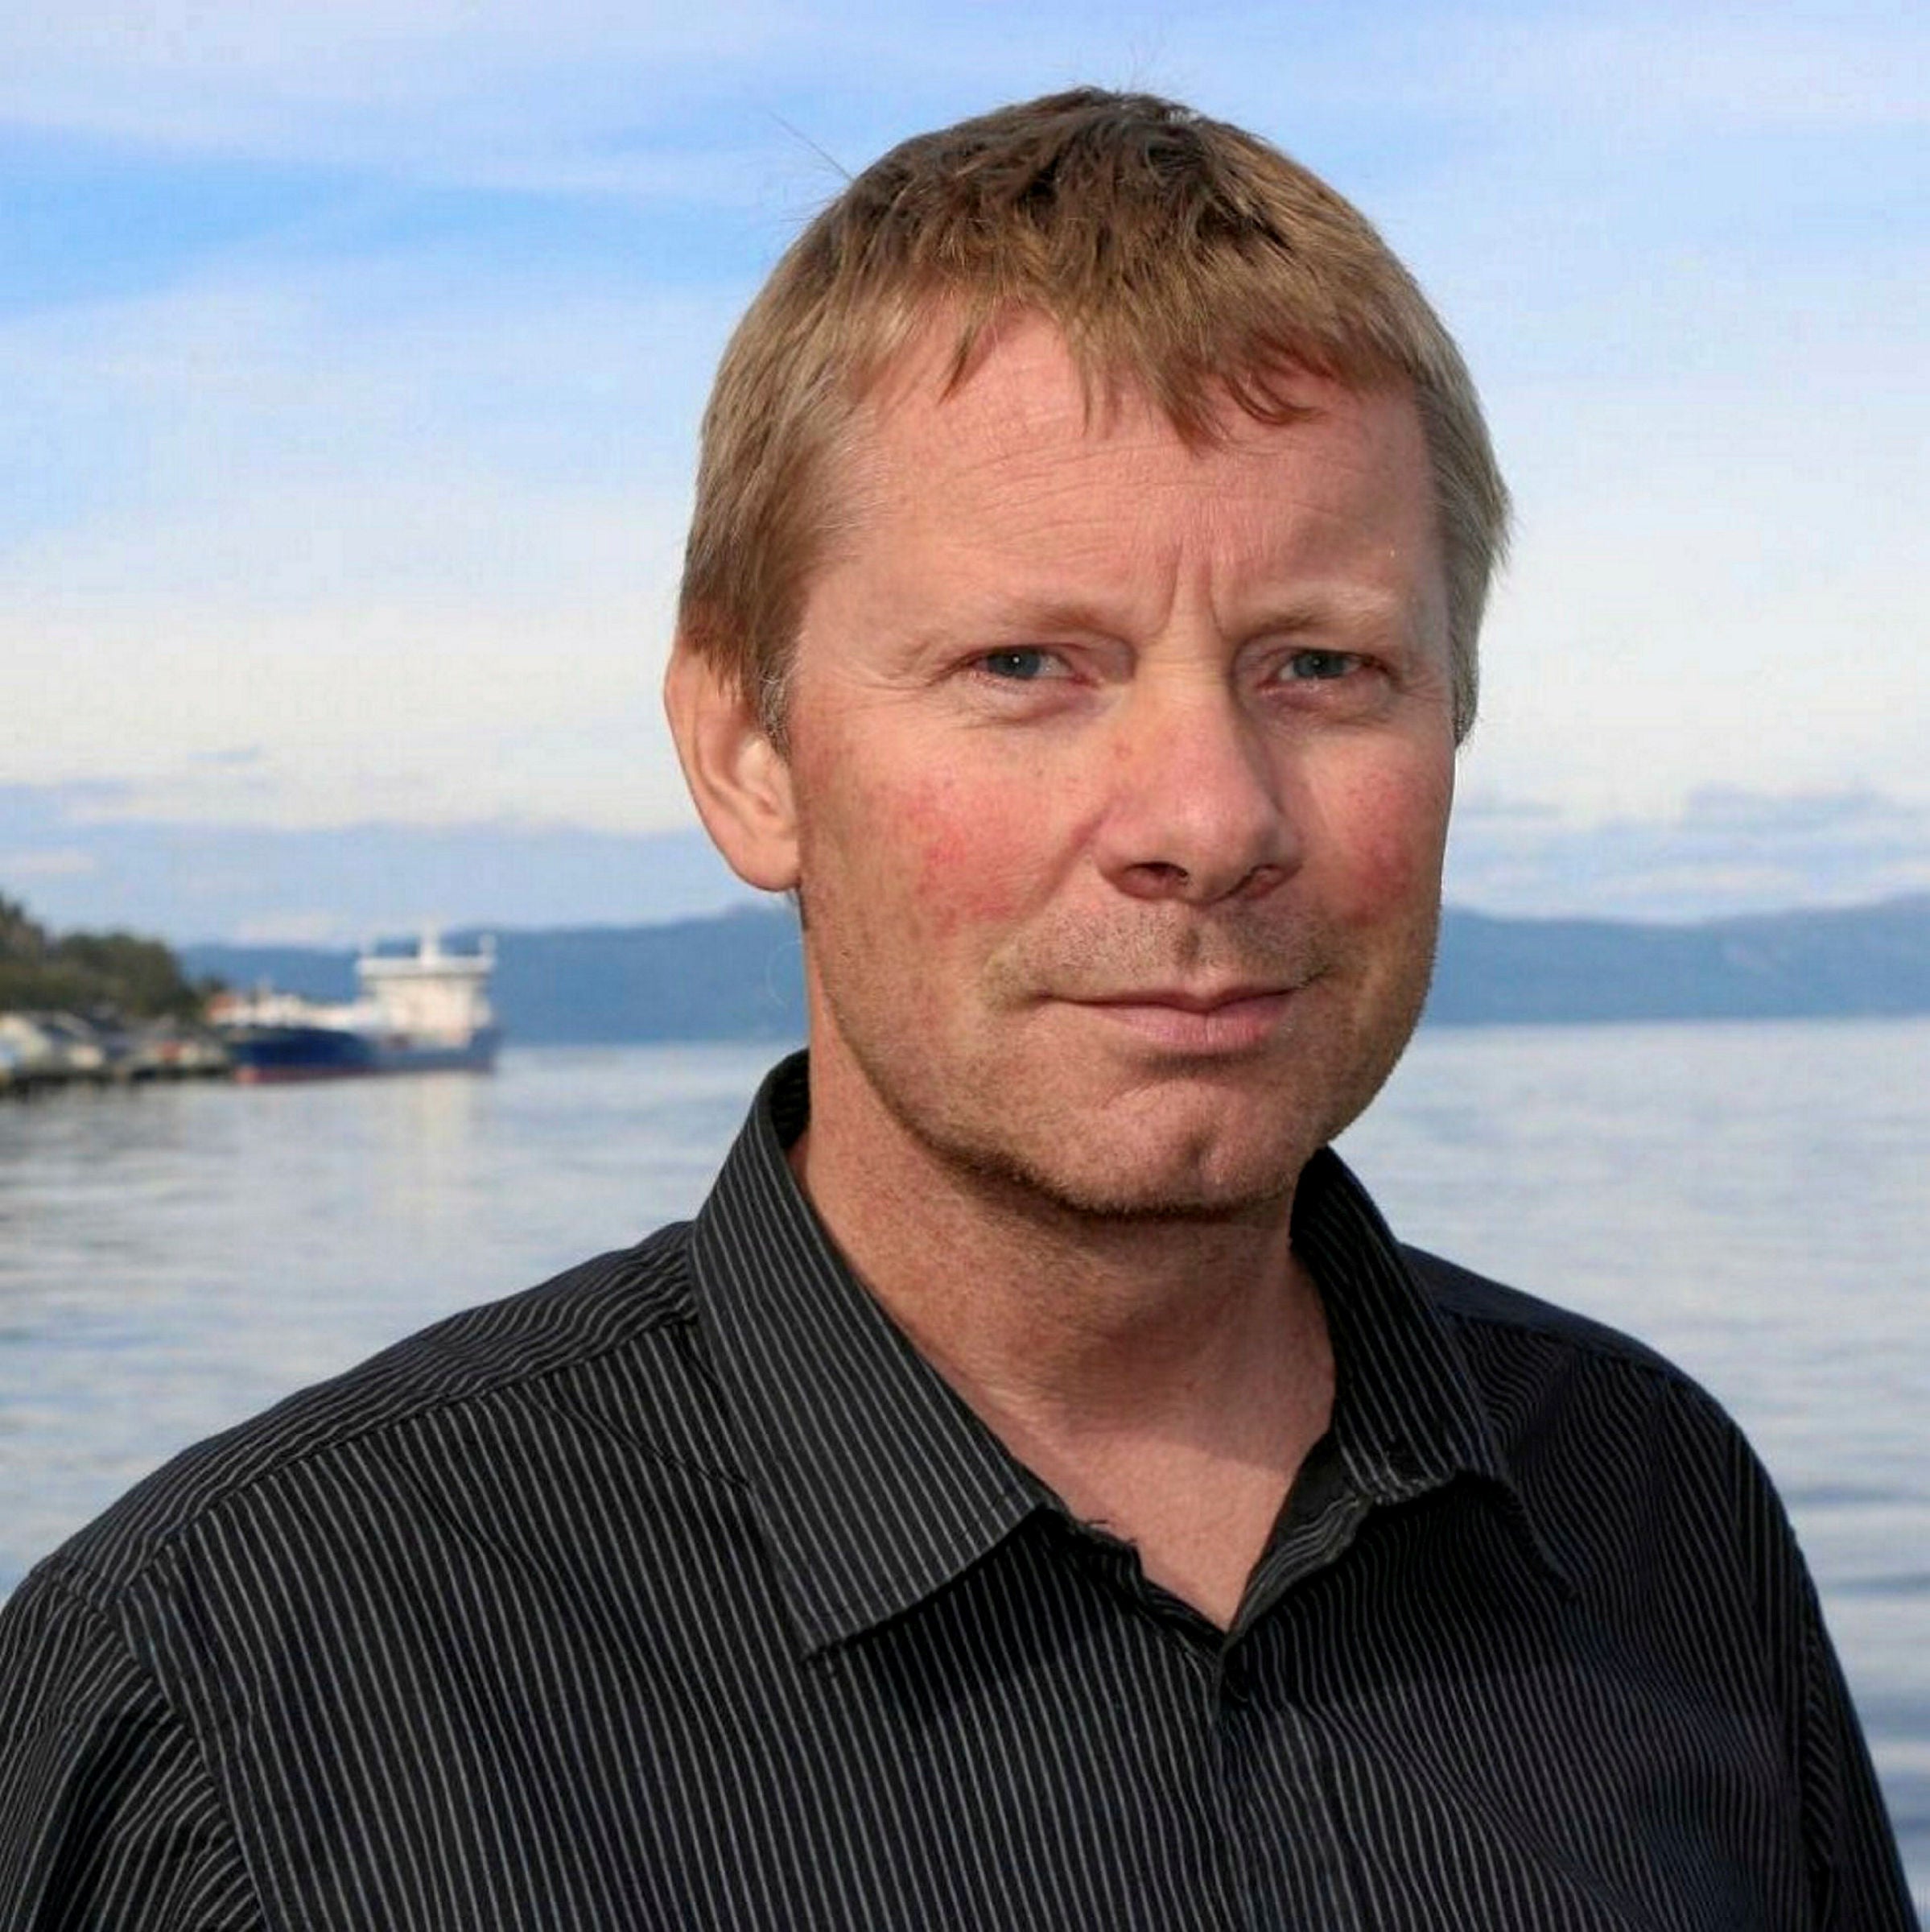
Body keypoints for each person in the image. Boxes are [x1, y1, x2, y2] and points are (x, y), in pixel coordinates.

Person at [0, 89, 1911, 1930]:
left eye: (1319, 667)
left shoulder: (1652, 1513)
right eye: (1024, 664)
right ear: (747, 752)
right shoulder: (234, 1700)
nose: (1206, 821)